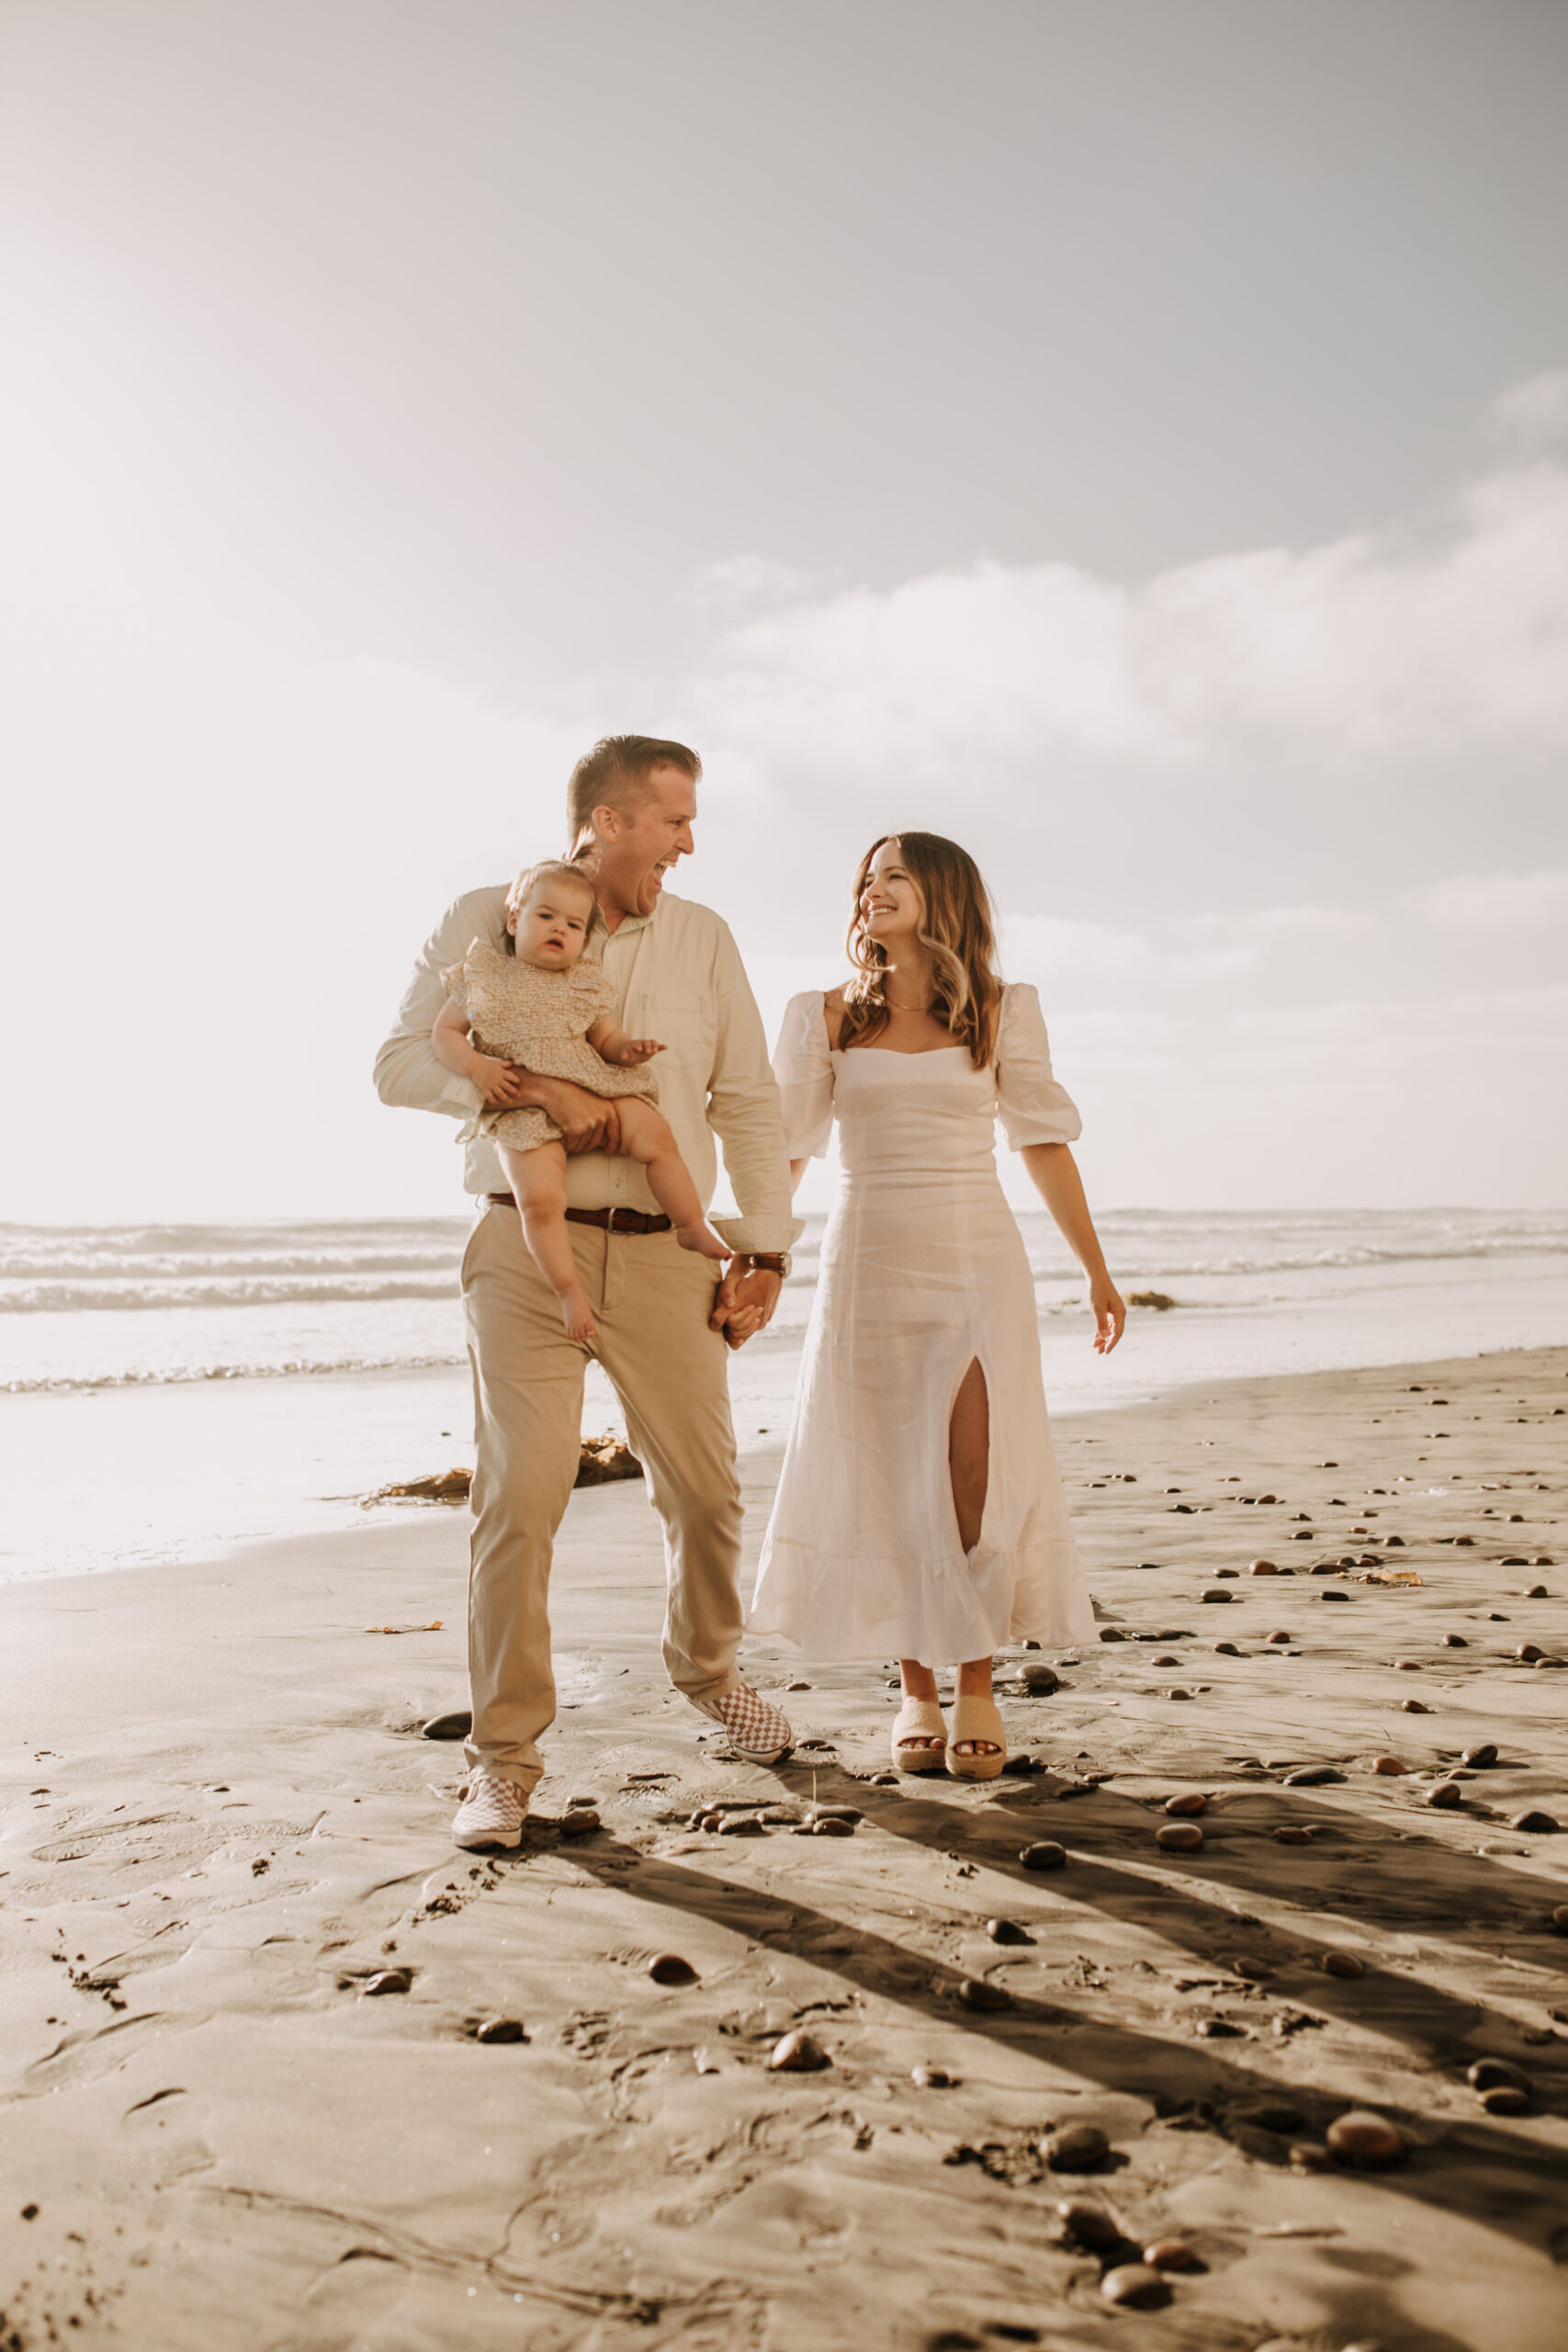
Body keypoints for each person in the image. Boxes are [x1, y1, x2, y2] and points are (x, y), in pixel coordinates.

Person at [375, 736, 801, 1850]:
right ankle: (502, 1763)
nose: (689, 842)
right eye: (674, 819)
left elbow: (749, 1097)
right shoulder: (487, 917)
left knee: (707, 1494)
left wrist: (764, 1248)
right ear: (608, 820)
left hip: (670, 1251)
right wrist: (534, 1092)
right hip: (525, 1246)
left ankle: (708, 1673)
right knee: (520, 1499)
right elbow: (398, 1064)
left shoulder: (703, 937)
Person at [749, 831, 1124, 1779]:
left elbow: (1041, 1140)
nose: (873, 891)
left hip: (975, 1259)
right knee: (886, 1472)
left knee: (972, 1472)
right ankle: (916, 1686)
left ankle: (977, 1685)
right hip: (869, 1259)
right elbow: (787, 1152)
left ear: (942, 893)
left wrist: (1096, 1268)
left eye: (895, 877)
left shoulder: (1001, 1008)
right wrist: (751, 1253)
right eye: (867, 879)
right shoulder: (821, 1014)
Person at [433, 856, 730, 1343]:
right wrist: (478, 1068)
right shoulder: (483, 974)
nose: (560, 929)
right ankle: (568, 1290)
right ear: (514, 921)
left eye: (573, 924)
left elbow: (605, 1039)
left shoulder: (584, 982)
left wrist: (628, 1051)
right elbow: (444, 1033)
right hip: (522, 1104)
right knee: (541, 1201)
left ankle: (690, 1222)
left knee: (657, 1135)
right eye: (545, 916)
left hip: (594, 1084)